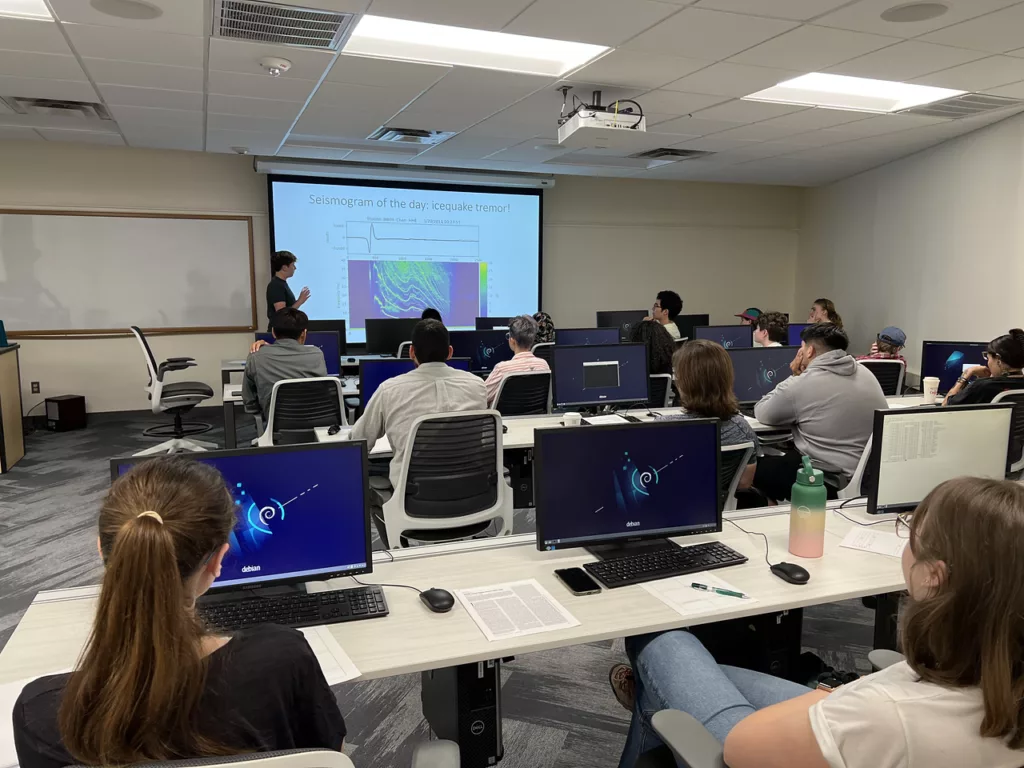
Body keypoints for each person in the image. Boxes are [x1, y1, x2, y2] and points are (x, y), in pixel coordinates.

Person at [611, 476, 1024, 768]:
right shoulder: (992, 667)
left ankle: (651, 689)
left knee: (661, 642)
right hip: (866, 722)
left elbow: (738, 747)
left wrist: (842, 700)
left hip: (845, 730)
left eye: (911, 533)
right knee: (700, 675)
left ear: (934, 576)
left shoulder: (885, 715)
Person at [13, 458, 345, 768]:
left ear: (103, 550)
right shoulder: (284, 659)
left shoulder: (39, 712)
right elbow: (329, 757)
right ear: (217, 562)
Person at [350, 319, 487, 545]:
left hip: (415, 505)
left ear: (411, 352)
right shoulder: (477, 385)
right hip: (474, 501)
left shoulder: (389, 390)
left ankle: (399, 551)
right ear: (450, 352)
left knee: (370, 479)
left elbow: (358, 442)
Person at [753, 323, 887, 501]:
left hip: (824, 478)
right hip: (870, 477)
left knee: (752, 469)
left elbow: (762, 412)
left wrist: (795, 376)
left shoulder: (803, 383)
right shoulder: (866, 373)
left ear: (809, 351)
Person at [661, 340, 758, 490]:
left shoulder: (664, 428)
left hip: (674, 509)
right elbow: (744, 484)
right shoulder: (742, 429)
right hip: (720, 509)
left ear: (684, 383)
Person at [243, 308, 327, 418]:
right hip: (318, 424)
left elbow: (250, 403)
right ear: (304, 333)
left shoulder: (256, 356)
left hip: (277, 427)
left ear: (273, 332)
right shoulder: (317, 354)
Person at [944, 329, 1024, 406]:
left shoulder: (983, 386)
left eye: (988, 358)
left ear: (998, 359)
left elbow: (945, 406)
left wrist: (966, 374)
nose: (987, 363)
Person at [485, 315, 550, 406]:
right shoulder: (543, 365)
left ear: (512, 341)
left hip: (505, 419)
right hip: (536, 418)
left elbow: (482, 398)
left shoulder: (502, 369)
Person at [266, 250, 309, 330]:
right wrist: (299, 301)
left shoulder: (281, 284)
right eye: (293, 265)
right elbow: (282, 313)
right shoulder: (276, 285)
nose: (295, 268)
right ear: (284, 267)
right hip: (279, 333)